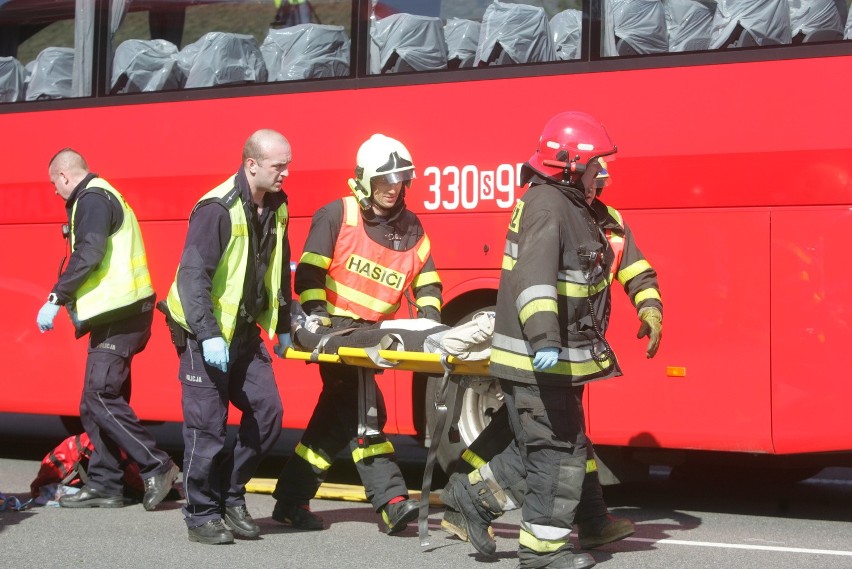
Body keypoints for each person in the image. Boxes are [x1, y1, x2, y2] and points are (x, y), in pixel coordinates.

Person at [440, 112, 662, 569]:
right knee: (555, 451)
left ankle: (471, 498)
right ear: (570, 163)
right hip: (537, 355)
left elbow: (632, 261)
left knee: (555, 446)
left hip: (566, 356)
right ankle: (542, 551)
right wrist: (543, 337)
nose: (604, 172)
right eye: (597, 164)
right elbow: (533, 278)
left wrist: (649, 305)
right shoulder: (547, 205)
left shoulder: (590, 210)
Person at [271, 133, 443, 534]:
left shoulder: (411, 227)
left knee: (335, 418)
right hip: (333, 333)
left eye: (400, 181)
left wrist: (430, 321)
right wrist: (317, 317)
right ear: (366, 180)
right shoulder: (337, 214)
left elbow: (427, 281)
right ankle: (391, 501)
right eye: (385, 180)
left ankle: (291, 498)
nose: (393, 188)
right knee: (368, 411)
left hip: (374, 335)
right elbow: (310, 275)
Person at [163, 129, 292, 545]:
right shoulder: (218, 208)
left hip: (244, 333)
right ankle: (201, 514)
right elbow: (191, 276)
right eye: (279, 166)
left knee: (268, 414)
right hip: (206, 336)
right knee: (207, 429)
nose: (286, 173)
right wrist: (208, 335)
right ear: (251, 164)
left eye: (287, 164)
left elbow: (278, 267)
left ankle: (230, 496)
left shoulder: (277, 206)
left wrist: (285, 324)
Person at [37, 148, 179, 512]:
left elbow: (90, 252)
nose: (55, 192)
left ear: (66, 176)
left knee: (100, 394)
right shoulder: (102, 194)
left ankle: (157, 465)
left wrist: (57, 296)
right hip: (119, 313)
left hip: (122, 312)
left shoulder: (92, 198)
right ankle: (106, 483)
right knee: (95, 399)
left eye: (55, 183)